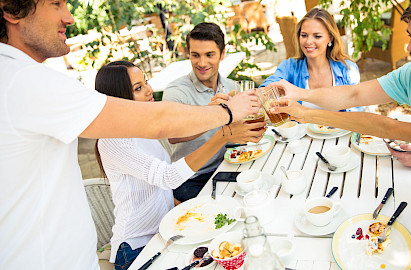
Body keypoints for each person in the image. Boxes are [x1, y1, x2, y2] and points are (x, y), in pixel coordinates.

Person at [0, 1, 259, 269]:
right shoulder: (23, 81)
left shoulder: (18, 78)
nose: (69, 17)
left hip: (155, 234)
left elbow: (156, 175)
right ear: (12, 9)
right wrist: (226, 117)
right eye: (56, 3)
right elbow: (162, 127)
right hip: (133, 248)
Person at [270, 0, 411, 206]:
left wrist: (305, 114)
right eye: (410, 35)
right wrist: (300, 93)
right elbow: (354, 94)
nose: (409, 47)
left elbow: (386, 127)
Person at [93, 61, 265, 269]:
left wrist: (213, 112)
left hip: (167, 232)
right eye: (138, 88)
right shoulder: (112, 140)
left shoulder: (141, 126)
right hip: (137, 248)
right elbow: (167, 177)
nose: (149, 91)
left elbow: (180, 132)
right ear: (118, 100)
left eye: (146, 82)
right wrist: (221, 135)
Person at [160, 22, 264, 202]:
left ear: (222, 54)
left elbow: (244, 128)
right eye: (195, 55)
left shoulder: (231, 87)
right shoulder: (176, 91)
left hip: (228, 165)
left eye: (209, 55)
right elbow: (172, 135)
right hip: (191, 177)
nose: (202, 63)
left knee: (261, 189)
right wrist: (216, 114)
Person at [260, 8, 362, 112]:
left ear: (330, 38)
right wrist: (264, 91)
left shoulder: (348, 69)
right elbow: (269, 84)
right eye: (304, 35)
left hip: (341, 128)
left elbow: (356, 114)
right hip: (299, 128)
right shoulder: (290, 67)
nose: (308, 41)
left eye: (317, 36)